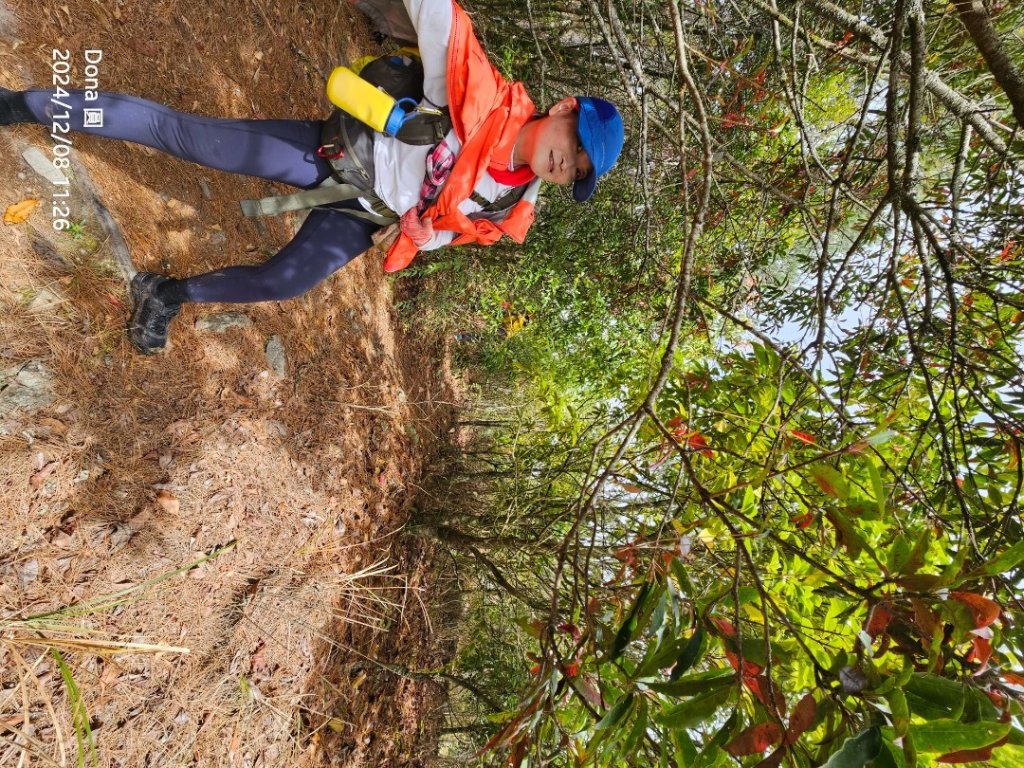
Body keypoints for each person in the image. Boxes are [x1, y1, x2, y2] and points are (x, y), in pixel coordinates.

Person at [0, 0, 624, 355]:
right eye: (573, 149)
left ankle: (164, 295)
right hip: (332, 155)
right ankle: (27, 104)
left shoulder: (508, 203)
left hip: (362, 214)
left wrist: (418, 230)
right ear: (563, 110)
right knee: (186, 136)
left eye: (575, 172)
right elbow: (436, 13)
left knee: (283, 280)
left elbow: (445, 231)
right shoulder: (478, 95)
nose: (564, 165)